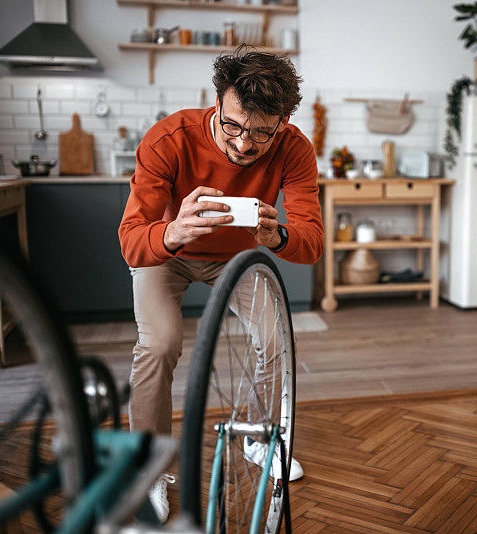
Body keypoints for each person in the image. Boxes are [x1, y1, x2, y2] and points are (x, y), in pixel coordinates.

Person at [118, 49, 323, 522]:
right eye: (232, 125)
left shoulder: (294, 148)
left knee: (275, 340)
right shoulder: (169, 138)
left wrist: (280, 235)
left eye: (260, 134)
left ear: (283, 121)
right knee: (160, 343)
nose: (243, 145)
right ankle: (151, 472)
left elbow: (311, 244)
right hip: (169, 254)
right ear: (217, 102)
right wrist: (172, 232)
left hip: (237, 258)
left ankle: (255, 438)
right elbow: (131, 242)